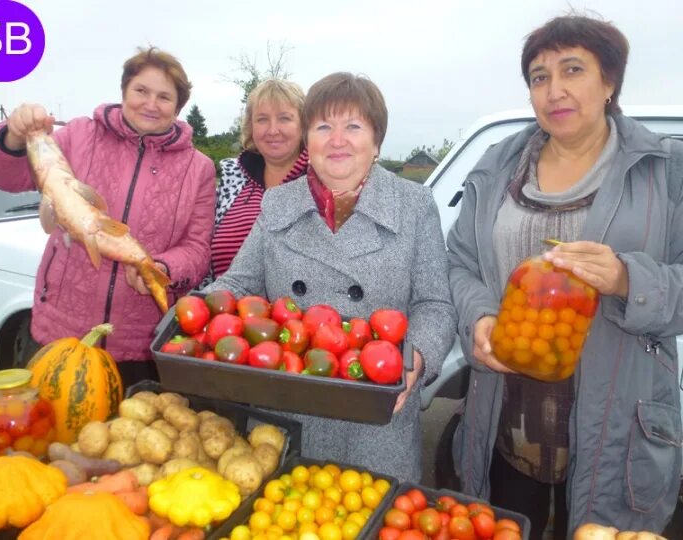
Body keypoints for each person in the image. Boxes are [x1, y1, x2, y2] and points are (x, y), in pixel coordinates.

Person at [446, 15, 683, 538]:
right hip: (507, 422)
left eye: (572, 69)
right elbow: (459, 261)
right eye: (538, 76)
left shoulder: (666, 169)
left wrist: (627, 279)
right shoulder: (496, 165)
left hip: (617, 432)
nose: (554, 89)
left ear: (610, 81)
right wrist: (479, 318)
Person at [203, 72, 457, 481]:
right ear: (308, 139)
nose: (337, 140)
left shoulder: (413, 204)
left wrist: (415, 362)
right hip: (286, 410)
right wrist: (198, 306)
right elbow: (239, 284)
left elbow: (434, 305)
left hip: (377, 416)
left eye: (353, 126)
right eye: (324, 126)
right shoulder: (278, 202)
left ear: (376, 142)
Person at [0, 47, 216, 389]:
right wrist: (13, 136)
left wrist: (163, 268)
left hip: (140, 346)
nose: (151, 103)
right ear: (123, 92)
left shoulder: (199, 169)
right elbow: (4, 176)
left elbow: (196, 249)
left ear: (178, 108)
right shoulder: (78, 135)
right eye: (141, 91)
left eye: (164, 97)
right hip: (60, 334)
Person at [205, 79, 307, 284]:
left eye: (284, 118)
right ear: (250, 126)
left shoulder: (320, 182)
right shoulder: (232, 179)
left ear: (304, 125)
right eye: (262, 119)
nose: (272, 130)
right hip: (225, 309)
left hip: (295, 313)